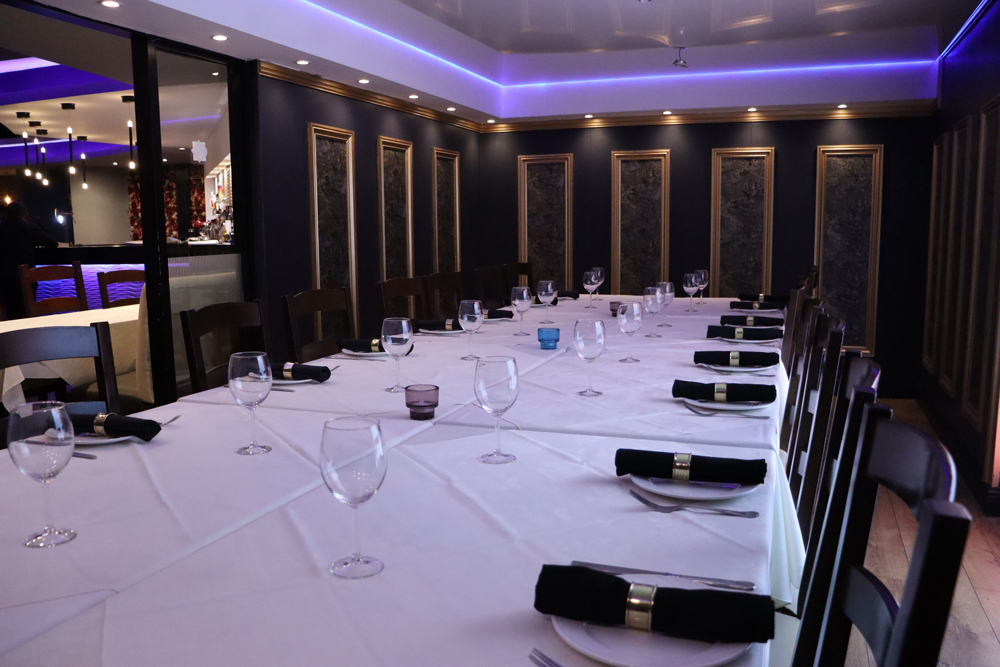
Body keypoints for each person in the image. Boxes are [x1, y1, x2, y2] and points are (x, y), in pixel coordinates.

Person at [0, 201, 59, 319]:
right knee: (27, 311)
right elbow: (53, 243)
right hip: (25, 277)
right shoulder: (30, 228)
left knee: (9, 312)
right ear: (24, 214)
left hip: (4, 278)